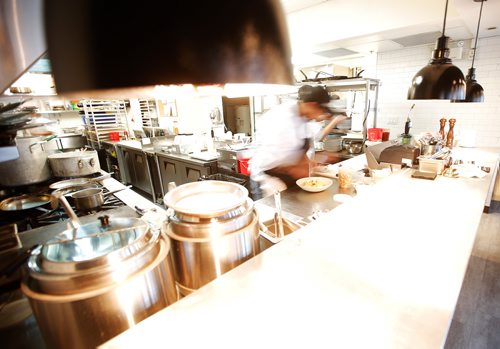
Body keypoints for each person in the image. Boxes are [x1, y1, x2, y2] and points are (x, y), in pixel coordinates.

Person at [249, 85, 347, 199]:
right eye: (320, 111)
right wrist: (301, 167)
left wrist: (315, 160)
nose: (319, 117)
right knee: (272, 215)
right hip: (268, 180)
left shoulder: (302, 116)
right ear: (312, 105)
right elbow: (273, 162)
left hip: (285, 177)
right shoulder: (282, 120)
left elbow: (300, 147)